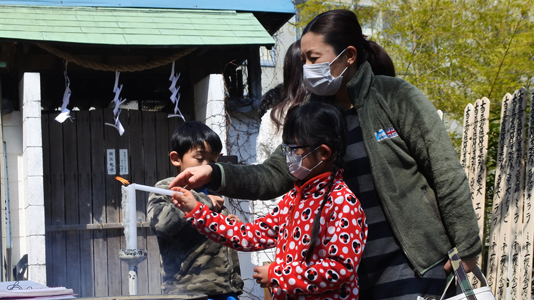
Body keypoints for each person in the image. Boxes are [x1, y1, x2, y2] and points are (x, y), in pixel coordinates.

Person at [170, 9, 481, 300]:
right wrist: (216, 174)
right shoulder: (312, 117)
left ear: (349, 56)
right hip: (347, 280)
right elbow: (273, 174)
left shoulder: (395, 97)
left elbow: (445, 172)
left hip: (409, 261)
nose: (306, 67)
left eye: (313, 57)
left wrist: (466, 247)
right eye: (303, 59)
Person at [171, 102, 367, 300]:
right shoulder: (294, 198)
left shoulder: (342, 202)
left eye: (294, 149)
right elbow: (250, 235)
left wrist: (277, 275)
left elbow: (341, 269)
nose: (288, 156)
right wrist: (197, 211)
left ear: (324, 153)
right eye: (286, 149)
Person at [147, 121, 243, 300]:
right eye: (199, 159)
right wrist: (204, 202)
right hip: (189, 291)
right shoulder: (168, 190)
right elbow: (161, 224)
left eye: (213, 162)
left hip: (225, 289)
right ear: (176, 158)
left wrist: (231, 226)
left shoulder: (213, 193)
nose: (206, 167)